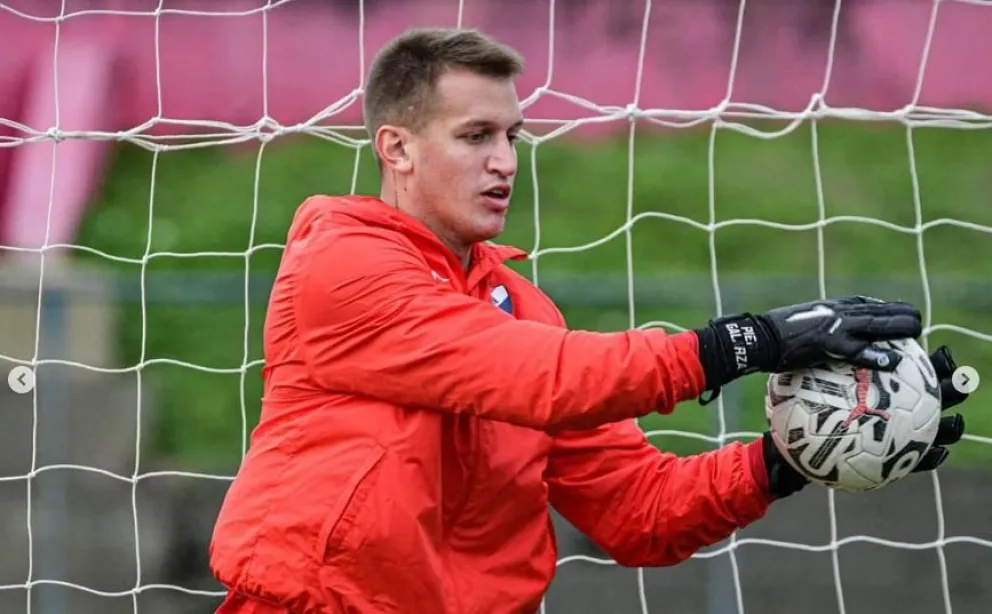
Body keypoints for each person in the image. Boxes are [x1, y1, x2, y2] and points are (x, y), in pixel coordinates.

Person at [208, 27, 969, 614]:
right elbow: (546, 377)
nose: (505, 160)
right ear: (396, 148)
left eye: (514, 136)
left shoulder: (524, 309)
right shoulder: (341, 264)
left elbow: (639, 512)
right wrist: (754, 342)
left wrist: (794, 455)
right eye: (476, 136)